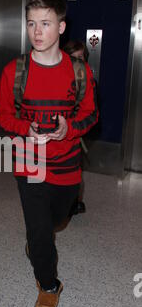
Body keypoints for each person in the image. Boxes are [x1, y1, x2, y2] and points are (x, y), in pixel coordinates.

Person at [0, 0, 98, 307]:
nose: (36, 31)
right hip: (29, 162)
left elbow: (90, 114)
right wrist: (27, 130)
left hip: (68, 165)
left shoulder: (79, 72)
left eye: (45, 23)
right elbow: (2, 114)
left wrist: (70, 128)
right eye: (31, 23)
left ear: (61, 26)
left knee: (57, 221)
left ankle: (40, 241)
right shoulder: (15, 71)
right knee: (39, 230)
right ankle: (48, 289)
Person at [63, 40, 90, 216]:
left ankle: (76, 202)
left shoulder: (86, 80)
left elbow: (89, 111)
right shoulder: (59, 77)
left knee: (76, 173)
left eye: (81, 57)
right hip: (57, 133)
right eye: (74, 58)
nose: (77, 61)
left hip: (75, 132)